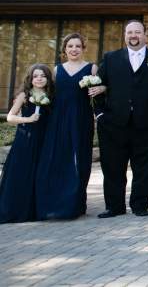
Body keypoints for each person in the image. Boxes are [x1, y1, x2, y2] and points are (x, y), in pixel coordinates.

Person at [95, 20, 148, 218]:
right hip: (113, 123)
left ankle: (140, 205)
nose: (133, 36)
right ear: (125, 35)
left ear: (145, 34)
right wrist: (100, 114)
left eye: (137, 32)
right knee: (113, 167)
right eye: (129, 32)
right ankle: (114, 207)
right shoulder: (111, 58)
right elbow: (98, 87)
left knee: (145, 168)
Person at [36, 33, 97, 219]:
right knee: (58, 157)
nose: (74, 49)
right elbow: (47, 93)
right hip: (58, 119)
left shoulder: (92, 68)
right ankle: (55, 203)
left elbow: (101, 92)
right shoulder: (56, 70)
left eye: (78, 46)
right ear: (64, 49)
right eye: (70, 46)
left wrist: (101, 88)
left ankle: (76, 204)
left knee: (81, 160)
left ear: (83, 48)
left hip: (81, 118)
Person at [0, 64, 52, 223]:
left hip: (44, 140)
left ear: (48, 78)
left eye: (43, 76)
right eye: (35, 76)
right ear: (30, 79)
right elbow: (10, 117)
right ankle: (16, 209)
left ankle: (34, 210)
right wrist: (28, 119)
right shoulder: (24, 95)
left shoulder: (51, 95)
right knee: (22, 172)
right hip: (26, 139)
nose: (39, 79)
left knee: (38, 174)